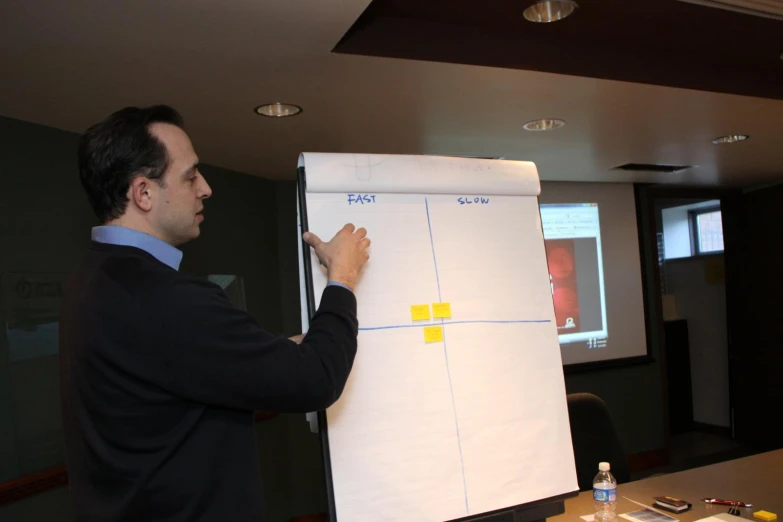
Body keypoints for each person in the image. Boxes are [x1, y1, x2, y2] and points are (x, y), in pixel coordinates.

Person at [59, 105, 370, 522]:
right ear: (143, 193)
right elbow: (314, 381)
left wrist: (283, 350)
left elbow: (180, 366)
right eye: (190, 176)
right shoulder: (165, 297)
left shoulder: (93, 281)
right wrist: (342, 277)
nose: (205, 188)